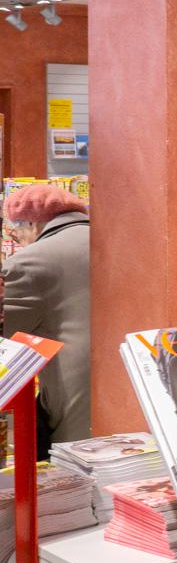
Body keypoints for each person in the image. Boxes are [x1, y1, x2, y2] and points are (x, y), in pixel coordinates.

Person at [3, 186, 91, 454]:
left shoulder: (29, 262)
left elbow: (8, 331)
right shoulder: (115, 239)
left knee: (77, 476)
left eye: (14, 231)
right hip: (126, 383)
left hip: (73, 390)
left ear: (31, 222)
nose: (15, 239)